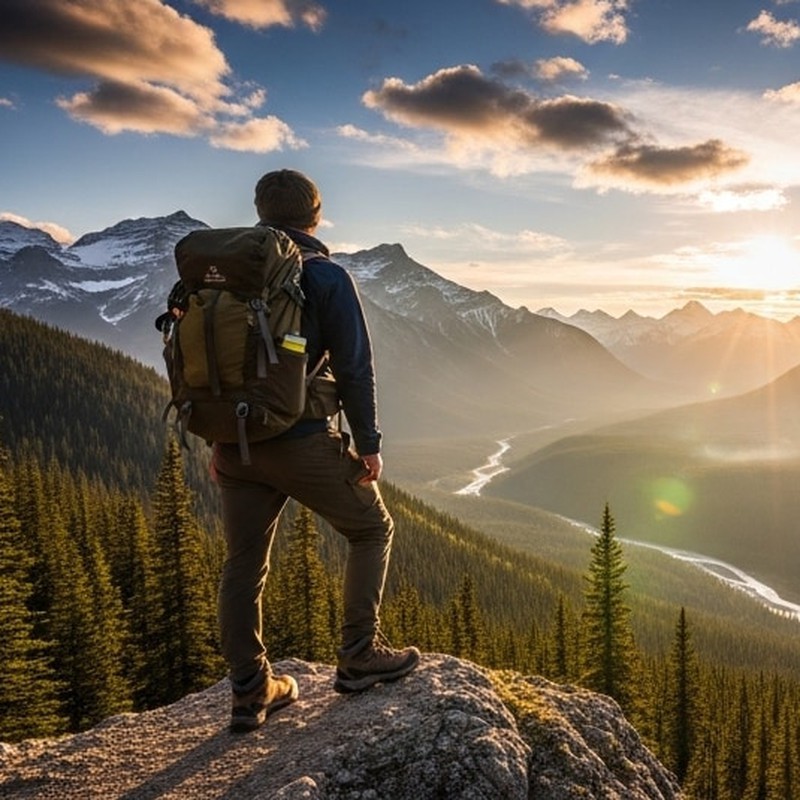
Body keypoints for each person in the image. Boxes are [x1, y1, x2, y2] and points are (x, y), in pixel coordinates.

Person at [212, 169, 420, 733]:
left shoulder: (223, 276)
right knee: (372, 530)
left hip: (236, 444)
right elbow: (354, 368)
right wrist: (369, 445)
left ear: (259, 210)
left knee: (243, 565)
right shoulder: (323, 275)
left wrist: (220, 440)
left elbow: (209, 366)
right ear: (316, 215)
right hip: (300, 440)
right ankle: (358, 656)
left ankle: (250, 693)